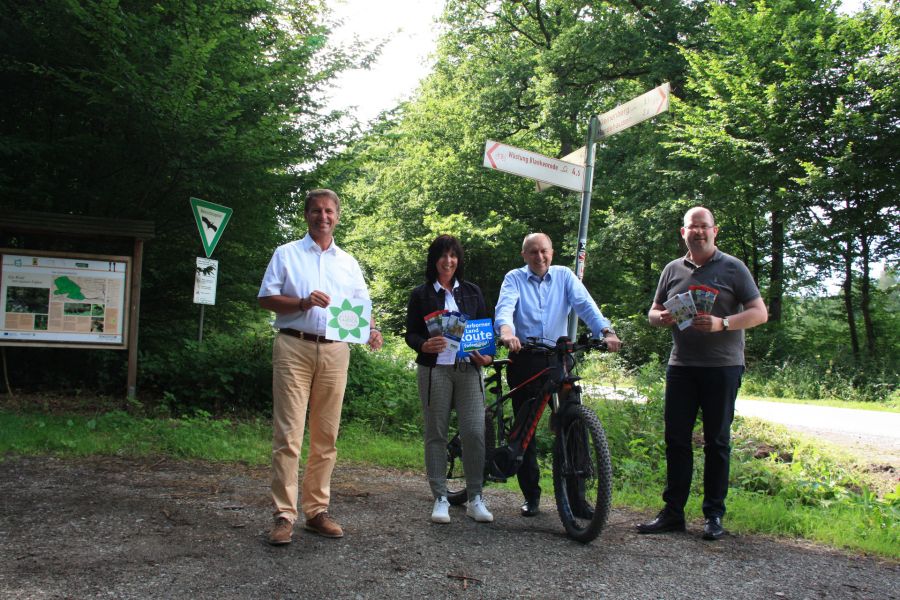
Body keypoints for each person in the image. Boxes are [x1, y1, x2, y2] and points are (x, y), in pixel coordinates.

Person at [258, 188, 383, 546]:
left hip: (334, 352)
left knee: (326, 437)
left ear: (337, 217)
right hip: (293, 345)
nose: (323, 216)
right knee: (289, 435)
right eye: (316, 210)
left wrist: (371, 330)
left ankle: (316, 511)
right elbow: (266, 298)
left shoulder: (348, 262)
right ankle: (284, 515)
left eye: (329, 211)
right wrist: (301, 301)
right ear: (306, 214)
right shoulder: (287, 254)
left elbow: (361, 305)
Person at [637, 206, 767, 541]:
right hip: (681, 365)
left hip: (722, 367)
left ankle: (713, 516)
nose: (698, 232)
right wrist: (660, 318)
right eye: (692, 227)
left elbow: (759, 313)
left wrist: (723, 323)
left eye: (704, 227)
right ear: (683, 233)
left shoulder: (733, 267)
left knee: (717, 442)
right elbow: (653, 310)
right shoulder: (671, 269)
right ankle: (673, 513)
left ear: (715, 231)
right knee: (676, 440)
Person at [495, 233, 621, 517]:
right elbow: (505, 308)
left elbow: (585, 304)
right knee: (525, 429)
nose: (539, 257)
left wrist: (606, 331)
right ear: (524, 255)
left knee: (573, 425)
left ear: (552, 252)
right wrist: (506, 331)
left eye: (544, 251)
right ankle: (532, 496)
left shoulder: (564, 276)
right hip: (524, 359)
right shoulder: (514, 278)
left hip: (558, 359)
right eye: (533, 252)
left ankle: (577, 500)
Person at [404, 235, 494, 524]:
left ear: (459, 259)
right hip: (435, 371)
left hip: (469, 370)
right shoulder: (420, 294)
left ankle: (475, 497)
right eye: (443, 255)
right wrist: (422, 345)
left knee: (474, 432)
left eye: (453, 255)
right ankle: (440, 497)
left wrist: (487, 357)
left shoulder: (472, 291)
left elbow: (484, 332)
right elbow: (411, 334)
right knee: (436, 433)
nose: (448, 261)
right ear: (434, 260)